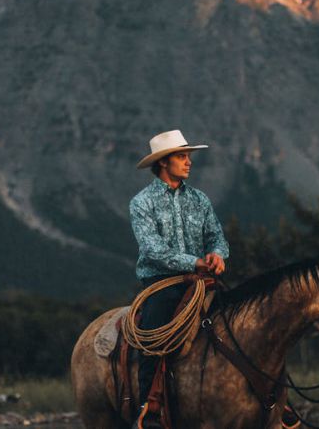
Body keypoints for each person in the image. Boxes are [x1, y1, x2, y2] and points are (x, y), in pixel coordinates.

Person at [129, 129, 228, 427]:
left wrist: (217, 255)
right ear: (163, 163)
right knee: (152, 339)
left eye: (188, 157)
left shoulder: (200, 200)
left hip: (202, 282)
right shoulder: (141, 203)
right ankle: (150, 410)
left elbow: (218, 238)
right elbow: (153, 250)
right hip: (161, 284)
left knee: (246, 320)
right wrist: (195, 262)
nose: (189, 162)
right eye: (182, 157)